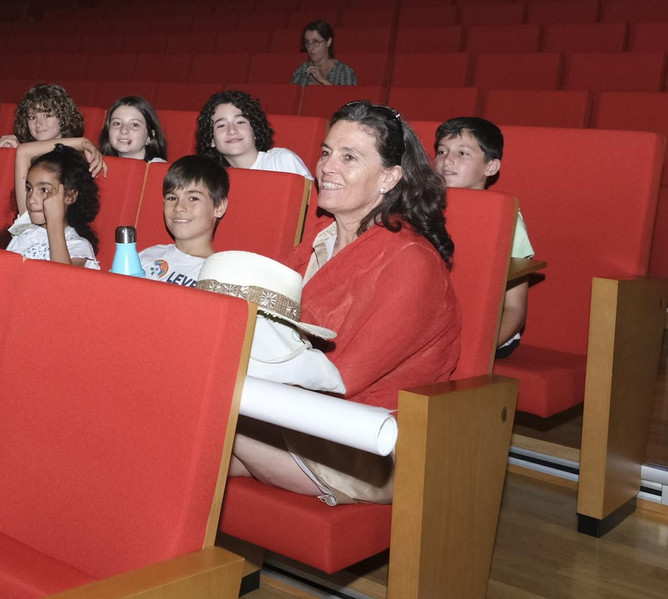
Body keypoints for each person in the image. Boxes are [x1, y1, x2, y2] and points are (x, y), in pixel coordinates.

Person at [230, 101, 458, 506]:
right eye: (326, 152)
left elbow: (337, 381)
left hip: (362, 446)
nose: (327, 168)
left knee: (195, 415)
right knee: (166, 434)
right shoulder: (319, 239)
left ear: (389, 178)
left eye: (349, 157)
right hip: (290, 416)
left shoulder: (411, 262)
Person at [434, 117, 534, 358]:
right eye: (441, 151)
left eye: (463, 153)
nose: (448, 160)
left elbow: (515, 308)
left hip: (492, 334)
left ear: (490, 167)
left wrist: (475, 352)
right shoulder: (420, 210)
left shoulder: (507, 220)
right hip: (435, 325)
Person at [3, 144, 101, 268]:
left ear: (69, 196)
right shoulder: (26, 224)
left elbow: (59, 281)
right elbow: (24, 152)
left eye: (44, 190)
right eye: (29, 188)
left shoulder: (77, 245)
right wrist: (83, 143)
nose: (31, 199)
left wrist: (54, 221)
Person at [139, 156, 228, 287]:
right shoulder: (148, 255)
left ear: (219, 207)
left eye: (193, 198)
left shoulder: (219, 276)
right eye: (172, 198)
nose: (179, 207)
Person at [196, 90, 311, 178]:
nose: (232, 130)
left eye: (240, 122)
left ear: (254, 130)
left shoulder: (281, 161)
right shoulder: (217, 182)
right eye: (221, 125)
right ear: (212, 140)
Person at [9, 83, 84, 146]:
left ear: (64, 116)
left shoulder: (71, 156)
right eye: (32, 117)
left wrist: (22, 151)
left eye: (47, 116)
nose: (38, 124)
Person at [99, 96, 166, 161]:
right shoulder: (98, 166)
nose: (124, 130)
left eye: (134, 125)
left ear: (149, 137)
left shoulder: (161, 169)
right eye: (117, 123)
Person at [291, 20, 357, 87]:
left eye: (315, 42)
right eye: (307, 42)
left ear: (328, 42)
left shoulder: (343, 71)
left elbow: (348, 96)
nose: (310, 47)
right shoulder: (302, 70)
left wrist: (323, 81)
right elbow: (292, 95)